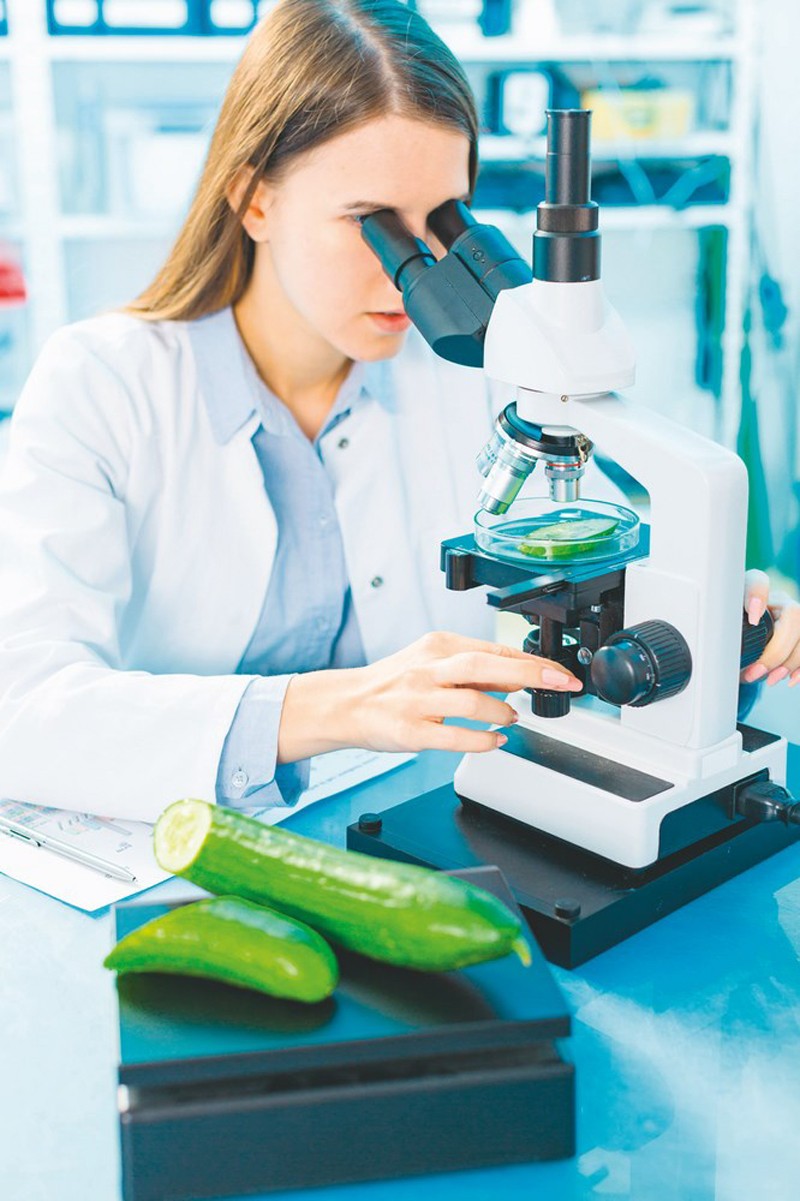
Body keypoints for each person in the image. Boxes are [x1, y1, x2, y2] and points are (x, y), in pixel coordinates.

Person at [0, 0, 796, 823]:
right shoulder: (101, 383)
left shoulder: (474, 375)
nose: (410, 276)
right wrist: (338, 707)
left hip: (413, 818)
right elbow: (18, 708)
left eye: (440, 224)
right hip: (171, 842)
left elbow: (587, 566)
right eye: (369, 224)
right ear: (255, 200)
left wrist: (708, 606)